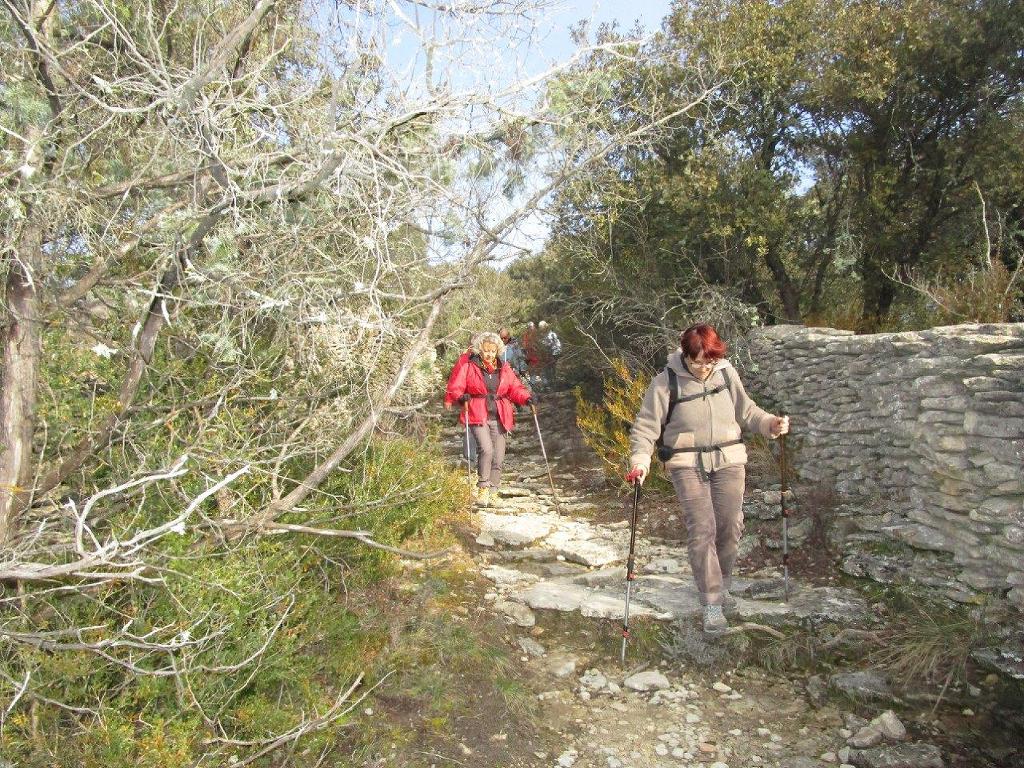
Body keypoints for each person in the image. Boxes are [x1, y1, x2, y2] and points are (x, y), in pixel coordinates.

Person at [626, 323, 789, 635]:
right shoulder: (665, 382)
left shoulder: (727, 374)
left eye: (709, 361)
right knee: (703, 529)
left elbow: (748, 412)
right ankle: (711, 603)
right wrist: (640, 460)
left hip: (729, 461)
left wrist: (771, 424)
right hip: (686, 464)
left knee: (730, 526)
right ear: (685, 355)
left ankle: (722, 586)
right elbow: (646, 427)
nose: (702, 368)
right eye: (696, 361)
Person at [445, 332, 533, 506]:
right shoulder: (470, 366)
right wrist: (461, 397)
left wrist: (526, 398)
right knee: (486, 449)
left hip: (500, 416)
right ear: (480, 350)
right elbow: (456, 386)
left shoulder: (504, 368)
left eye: (492, 351)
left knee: (498, 456)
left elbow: (515, 388)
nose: (489, 354)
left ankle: (494, 491)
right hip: (478, 414)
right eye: (486, 351)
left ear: (497, 351)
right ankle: (483, 489)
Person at [538, 320, 561, 390]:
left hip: (553, 354)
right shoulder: (542, 336)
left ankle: (554, 384)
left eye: (542, 328)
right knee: (546, 369)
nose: (542, 330)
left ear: (545, 327)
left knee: (552, 369)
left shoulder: (552, 335)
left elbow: (557, 345)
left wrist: (555, 354)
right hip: (545, 355)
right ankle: (548, 385)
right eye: (541, 328)